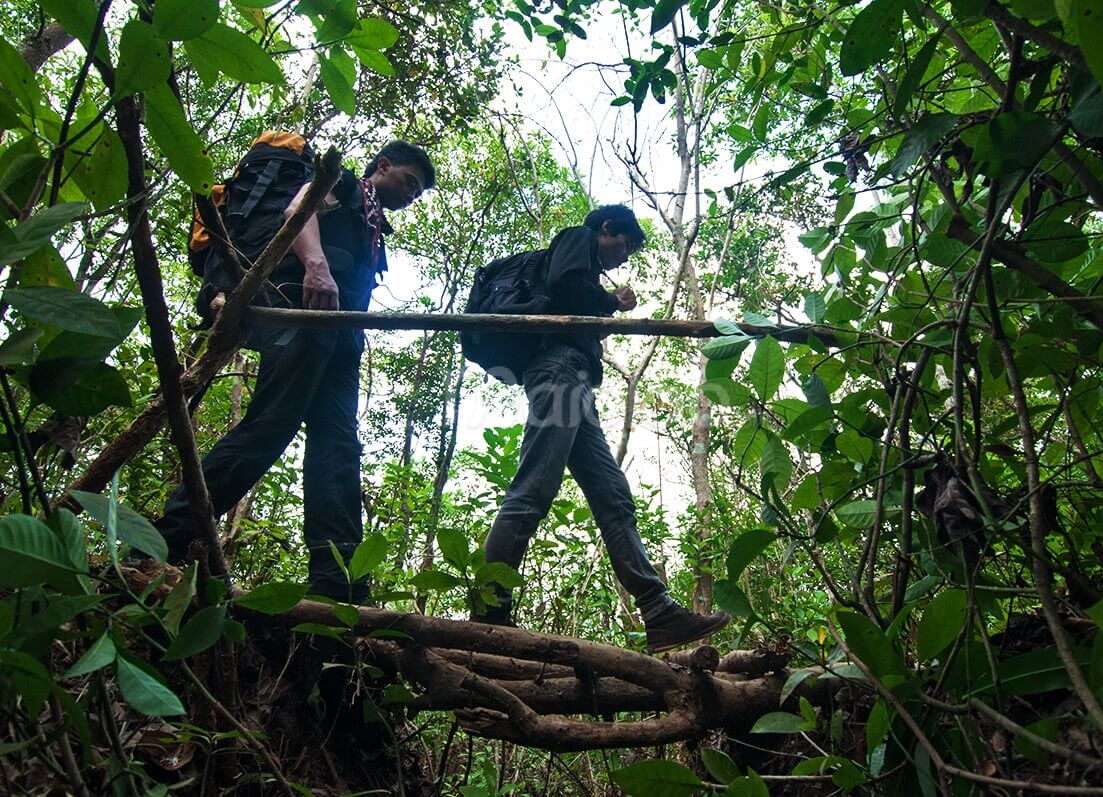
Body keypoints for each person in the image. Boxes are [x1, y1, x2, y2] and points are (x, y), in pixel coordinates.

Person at [157, 140, 435, 604]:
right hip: (301, 310)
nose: (411, 195)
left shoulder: (373, 223)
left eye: (418, 192)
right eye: (409, 182)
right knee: (271, 425)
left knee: (339, 444)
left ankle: (338, 585)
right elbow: (296, 212)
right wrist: (316, 266)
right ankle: (167, 538)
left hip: (342, 337)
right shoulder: (344, 185)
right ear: (383, 166)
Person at [476, 205, 731, 653]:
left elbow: (570, 297)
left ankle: (658, 611)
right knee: (532, 489)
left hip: (573, 383)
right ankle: (488, 612)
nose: (624, 257)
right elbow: (564, 288)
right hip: (558, 373)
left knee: (614, 498)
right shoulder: (578, 238)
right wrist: (613, 301)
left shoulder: (588, 268)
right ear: (606, 229)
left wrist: (604, 303)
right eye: (625, 245)